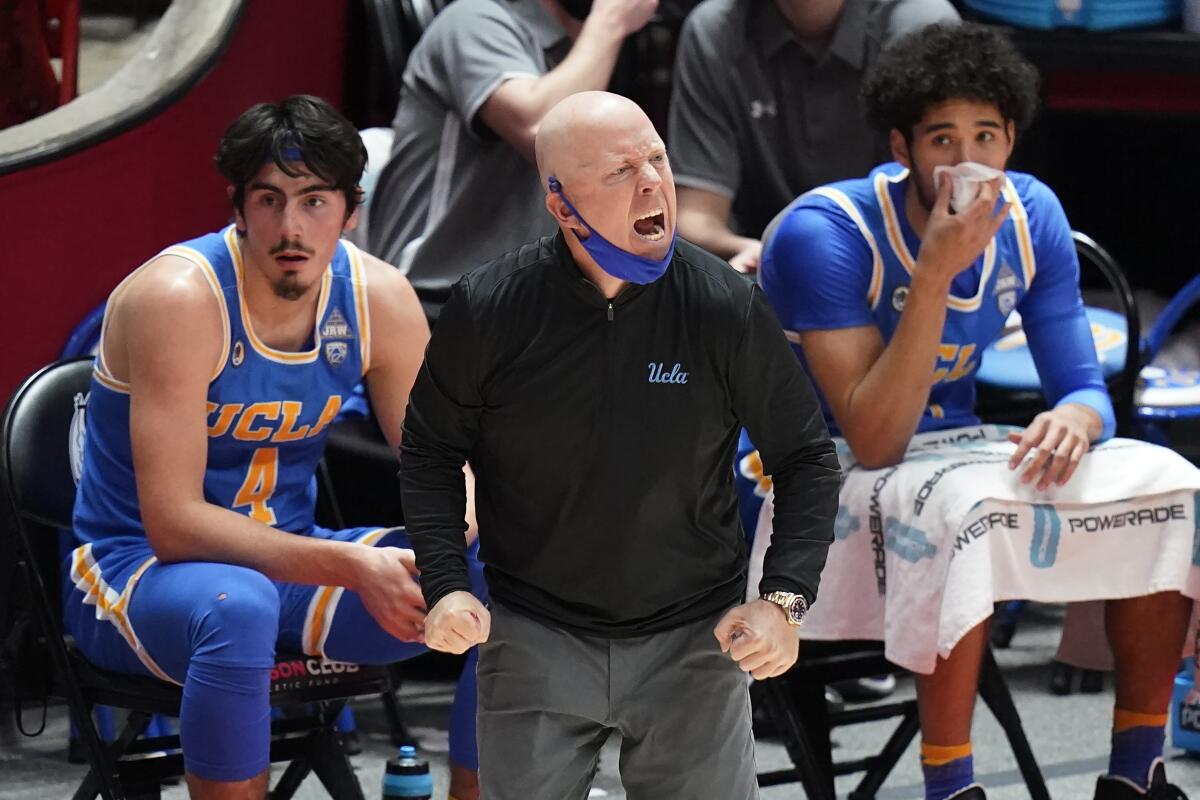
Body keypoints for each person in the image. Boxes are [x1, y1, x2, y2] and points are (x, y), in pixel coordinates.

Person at [756, 23, 1198, 800]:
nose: (967, 160)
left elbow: (1087, 387)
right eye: (942, 138)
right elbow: (874, 435)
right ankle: (950, 786)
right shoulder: (823, 234)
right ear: (901, 147)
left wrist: (1080, 421)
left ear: (1012, 141)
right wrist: (932, 274)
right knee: (960, 511)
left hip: (947, 446)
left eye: (986, 135)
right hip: (802, 469)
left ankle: (1137, 773)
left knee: (1168, 478)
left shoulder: (1032, 214)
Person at [399, 90, 842, 798]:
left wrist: (782, 601)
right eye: (619, 171)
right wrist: (447, 586)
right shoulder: (490, 308)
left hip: (696, 635)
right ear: (560, 202)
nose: (651, 182)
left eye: (657, 159)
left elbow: (807, 457)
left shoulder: (723, 305)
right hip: (536, 629)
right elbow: (430, 451)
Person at [65, 95, 483, 800]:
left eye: (315, 201)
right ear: (238, 206)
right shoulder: (178, 295)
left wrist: (459, 529)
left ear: (352, 210)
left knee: (510, 566)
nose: (291, 227)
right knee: (239, 606)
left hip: (291, 561)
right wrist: (353, 565)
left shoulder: (378, 297)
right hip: (134, 573)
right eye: (269, 199)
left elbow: (438, 458)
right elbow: (173, 525)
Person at [367, 0, 658, 318]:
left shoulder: (590, 49)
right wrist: (610, 20)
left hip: (536, 312)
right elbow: (544, 131)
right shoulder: (473, 21)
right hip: (437, 306)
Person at [669, 0, 958, 273]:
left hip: (899, 264)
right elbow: (695, 216)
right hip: (769, 269)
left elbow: (949, 205)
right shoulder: (717, 29)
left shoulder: (921, 24)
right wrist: (752, 251)